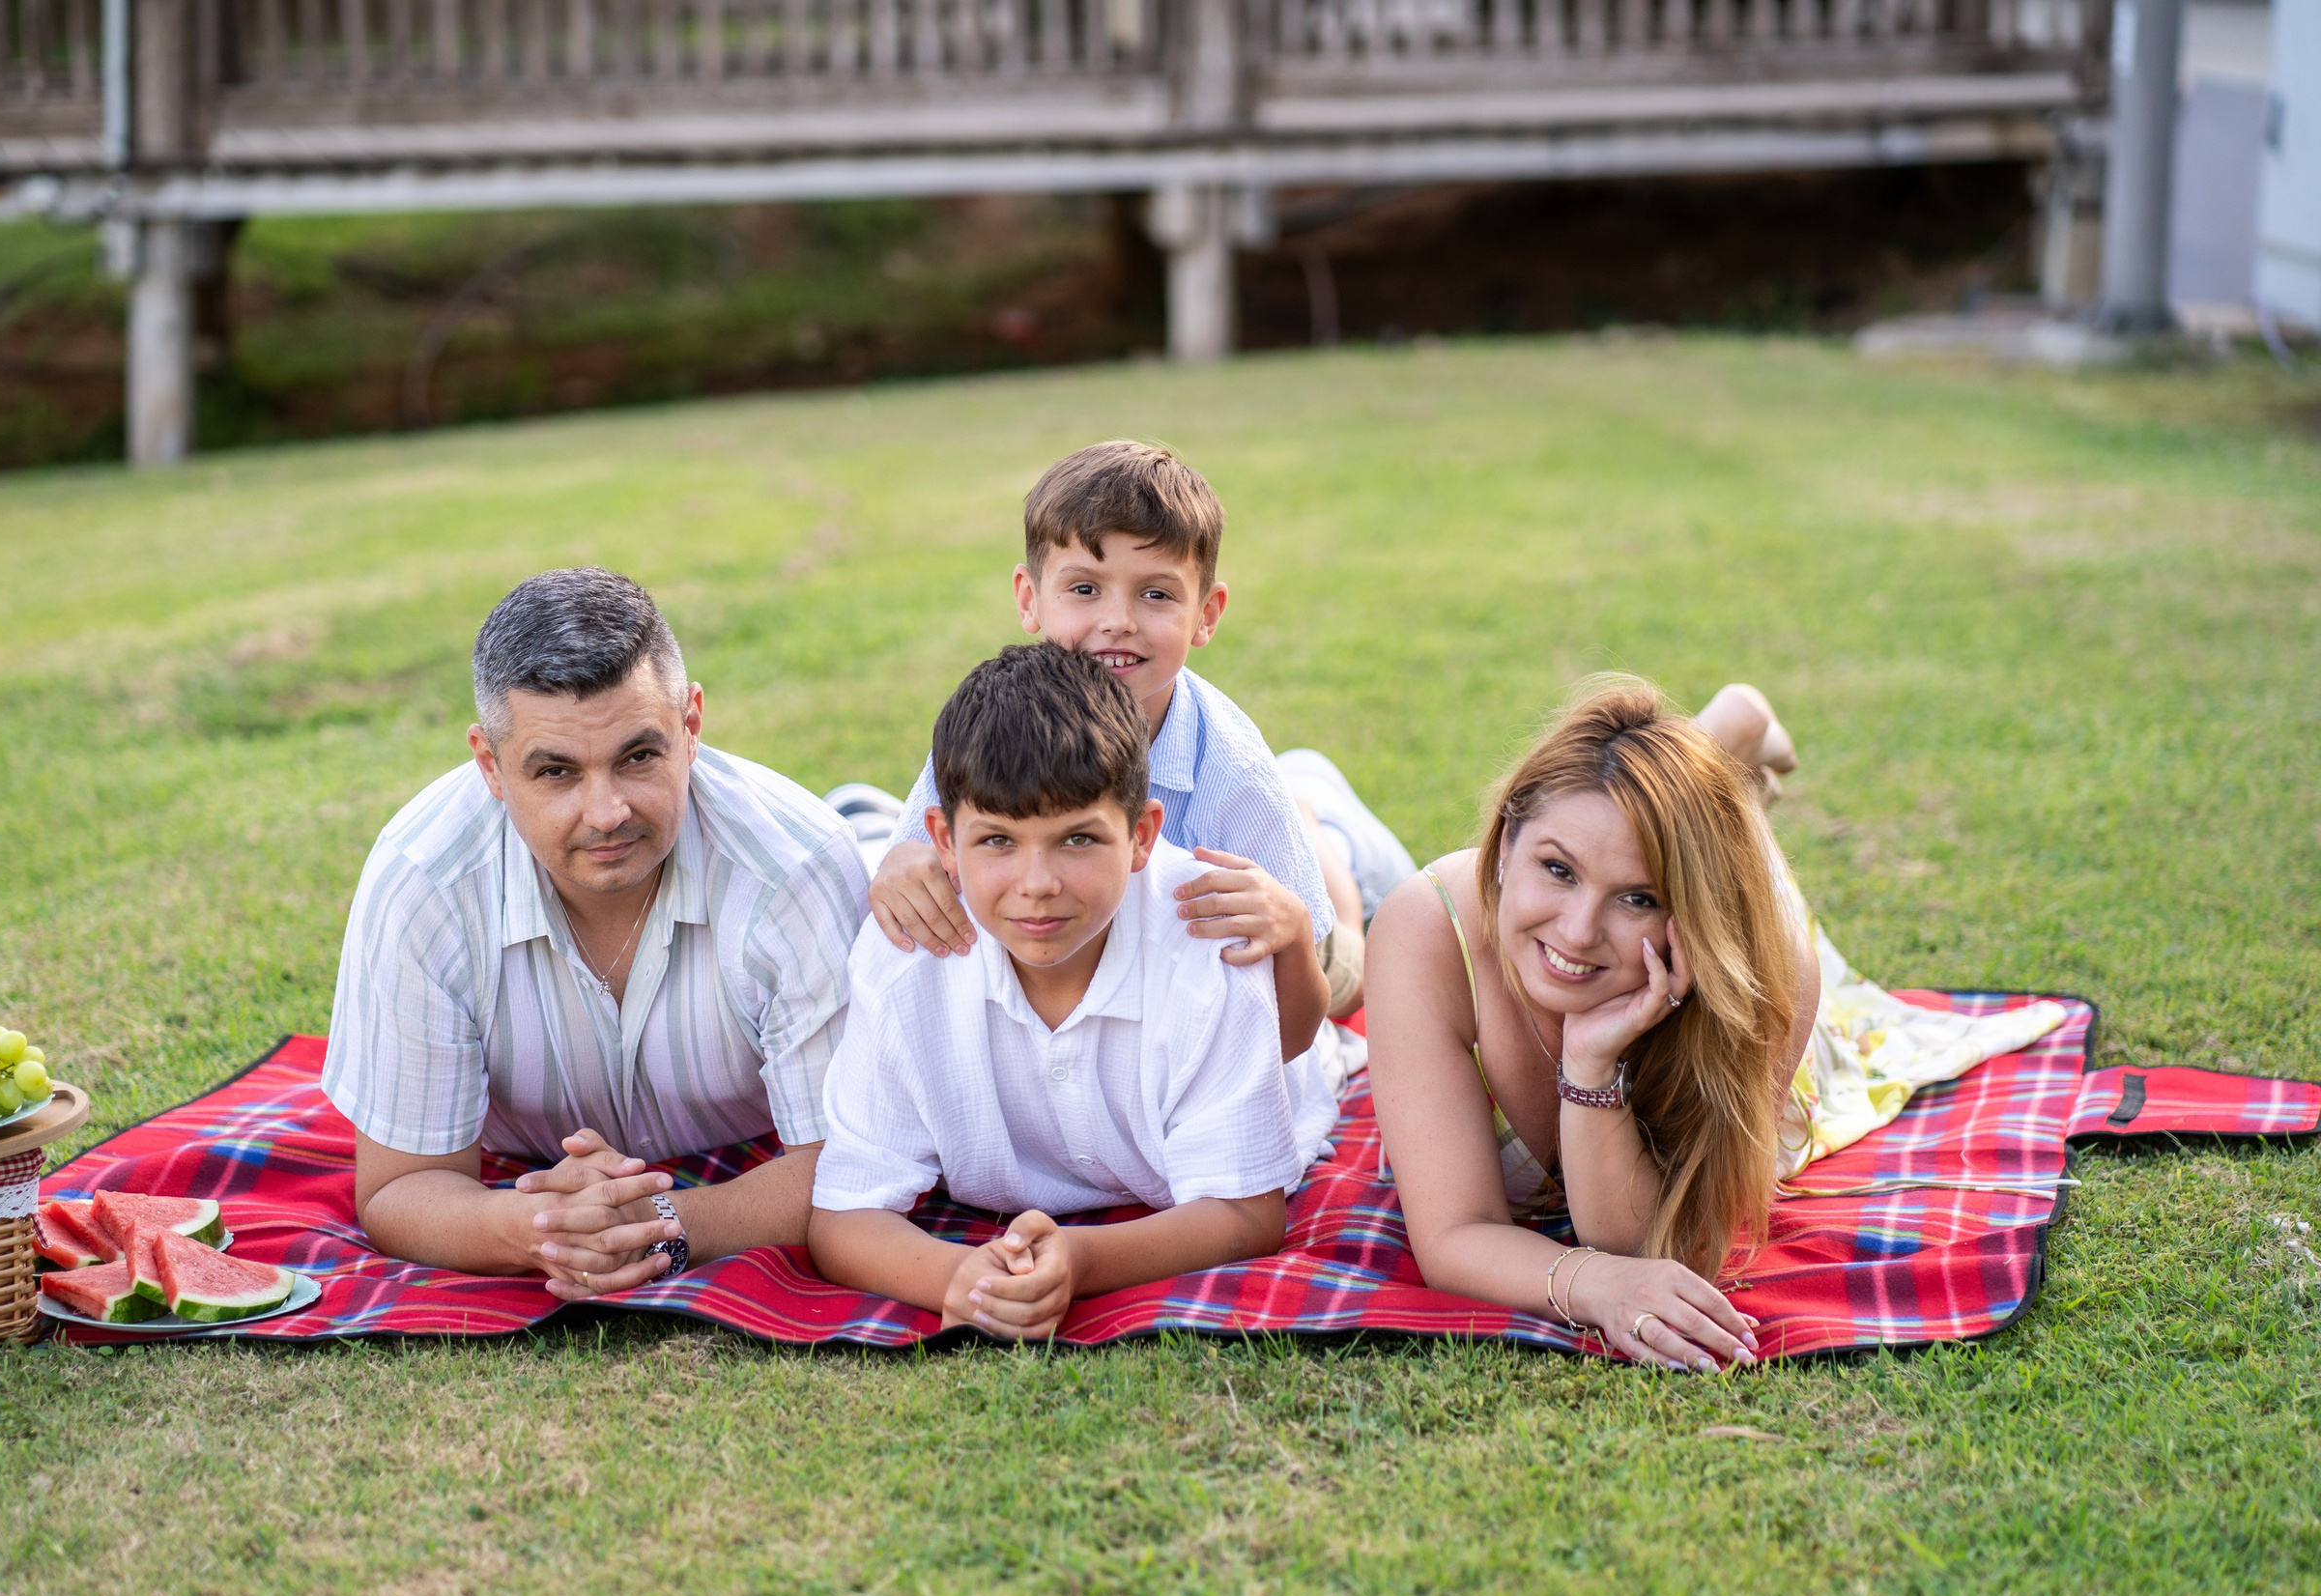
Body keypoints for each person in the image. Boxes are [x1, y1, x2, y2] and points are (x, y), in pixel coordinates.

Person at [1367, 677, 2064, 1373]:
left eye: (1637, 897)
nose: (1577, 932)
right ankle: (1727, 728)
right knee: (1650, 810)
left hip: (1726, 960)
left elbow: (1667, 1243)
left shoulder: (1768, 969)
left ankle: (1726, 751)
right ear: (1507, 834)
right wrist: (1594, 1286)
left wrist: (1589, 1065)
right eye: (1556, 868)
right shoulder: (1429, 930)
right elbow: (1454, 1234)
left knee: (1719, 842)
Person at [323, 568, 868, 1301]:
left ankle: (869, 816)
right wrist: (535, 1225)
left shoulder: (796, 869)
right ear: (489, 764)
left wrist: (664, 1224)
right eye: (556, 771)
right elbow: (399, 1186)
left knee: (882, 865)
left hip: (838, 856)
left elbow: (853, 1158)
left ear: (692, 725)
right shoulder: (421, 881)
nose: (606, 811)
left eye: (638, 756)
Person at [851, 440, 1353, 1154]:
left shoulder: (1235, 774)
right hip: (1112, 970)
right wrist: (899, 858)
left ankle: (1323, 819)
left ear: (1206, 613)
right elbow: (920, 856)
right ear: (1031, 599)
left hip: (1259, 953)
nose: (1117, 620)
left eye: (1155, 593)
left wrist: (1299, 928)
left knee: (1349, 966)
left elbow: (1292, 1024)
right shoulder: (996, 726)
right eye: (1085, 588)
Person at [808, 643, 1302, 1339]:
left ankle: (1316, 799)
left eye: (1077, 839)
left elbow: (1249, 1213)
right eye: (998, 842)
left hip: (1306, 1049)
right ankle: (866, 818)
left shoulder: (1212, 940)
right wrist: (955, 1277)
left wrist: (1081, 1257)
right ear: (944, 844)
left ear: (1142, 836)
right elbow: (842, 1213)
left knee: (1336, 861)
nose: (1037, 883)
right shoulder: (903, 955)